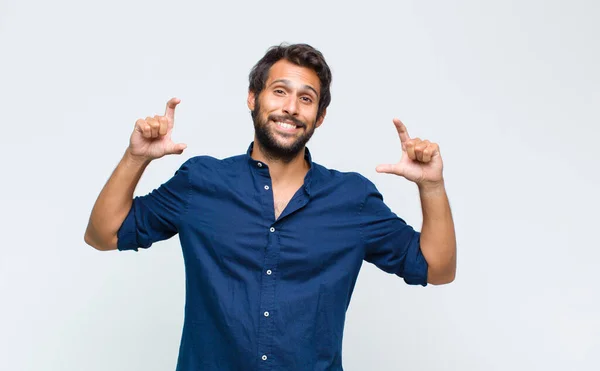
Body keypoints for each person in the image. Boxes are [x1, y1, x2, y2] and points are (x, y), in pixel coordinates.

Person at [84, 43, 456, 371]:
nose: (291, 108)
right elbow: (103, 234)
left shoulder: (352, 199)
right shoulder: (201, 182)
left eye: (306, 98)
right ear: (253, 98)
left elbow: (437, 268)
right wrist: (136, 158)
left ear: (319, 117)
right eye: (280, 91)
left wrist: (432, 187)